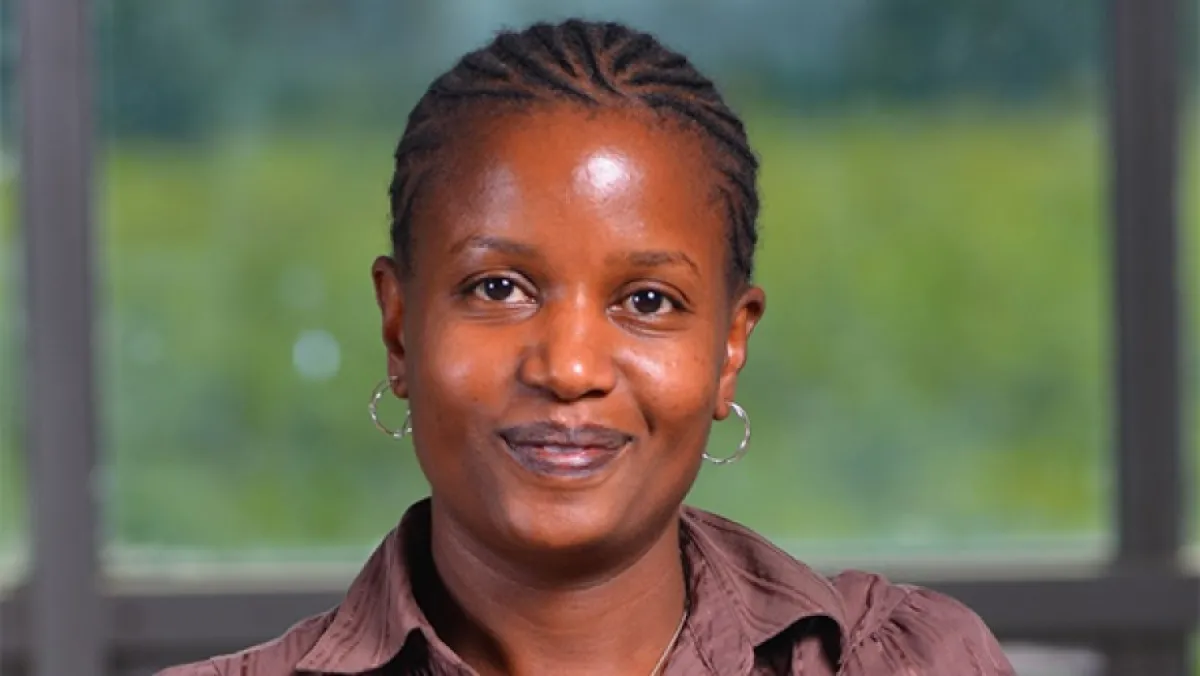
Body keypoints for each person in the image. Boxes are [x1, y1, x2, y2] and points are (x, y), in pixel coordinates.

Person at [161, 18, 1015, 676]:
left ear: (728, 347)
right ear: (399, 327)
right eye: (498, 288)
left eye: (648, 300)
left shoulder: (900, 663)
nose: (568, 369)